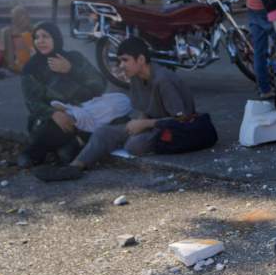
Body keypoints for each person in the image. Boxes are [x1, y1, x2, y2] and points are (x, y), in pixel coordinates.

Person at [33, 37, 195, 181]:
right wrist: (140, 121)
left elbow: (182, 119)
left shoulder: (163, 80)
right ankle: (74, 168)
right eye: (119, 61)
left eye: (125, 60)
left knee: (134, 144)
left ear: (140, 59)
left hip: (173, 130)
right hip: (151, 125)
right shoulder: (137, 78)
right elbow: (146, 108)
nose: (121, 66)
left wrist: (144, 124)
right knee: (103, 132)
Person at [18, 21, 119, 168]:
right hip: (50, 119)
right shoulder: (31, 68)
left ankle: (70, 145)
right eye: (36, 37)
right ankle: (32, 154)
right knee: (63, 141)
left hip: (84, 111)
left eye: (45, 36)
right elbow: (32, 102)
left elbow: (99, 85)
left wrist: (71, 70)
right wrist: (53, 113)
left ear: (56, 38)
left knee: (117, 104)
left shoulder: (74, 58)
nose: (40, 41)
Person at [0, 5, 34, 73]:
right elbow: (1, 51)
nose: (22, 19)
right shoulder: (7, 32)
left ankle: (13, 65)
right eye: (15, 16)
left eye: (23, 16)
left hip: (23, 64)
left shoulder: (34, 31)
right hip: (16, 63)